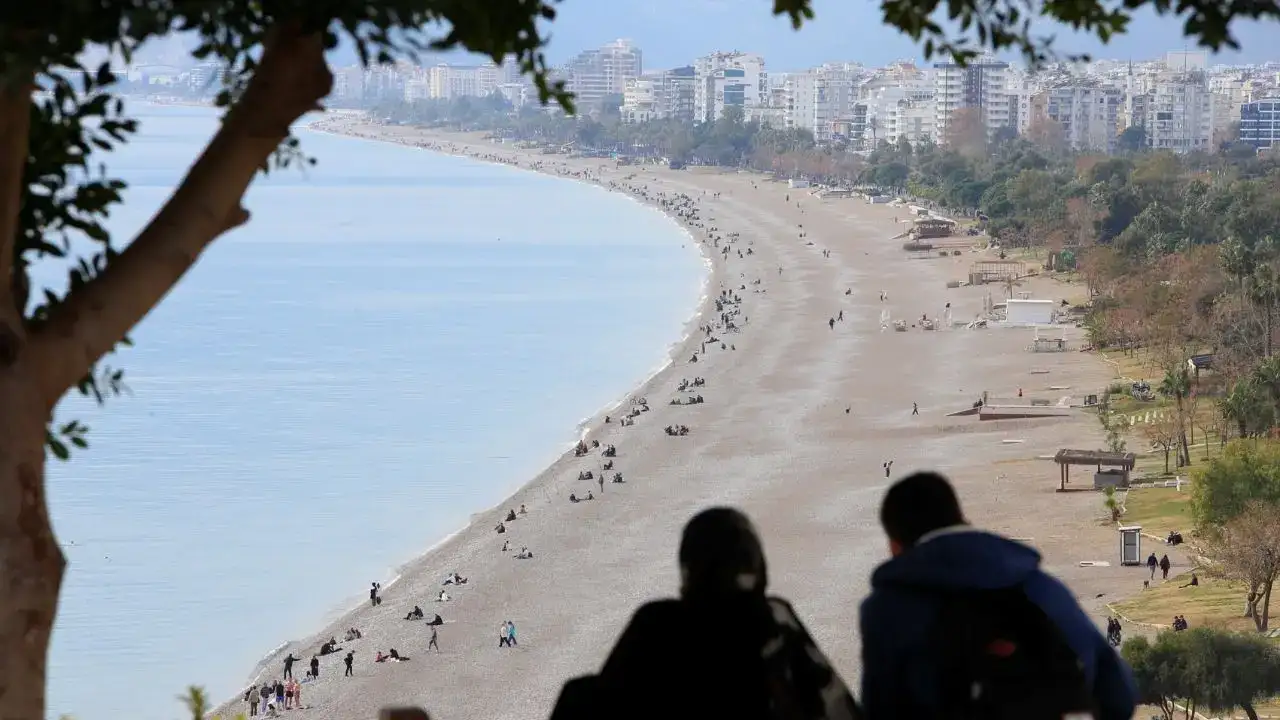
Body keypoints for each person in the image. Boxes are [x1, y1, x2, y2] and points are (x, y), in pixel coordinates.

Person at [859, 472, 1136, 720]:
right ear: (962, 518)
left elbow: (880, 708)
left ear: (895, 547)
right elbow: (1120, 695)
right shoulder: (1041, 587)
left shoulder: (886, 611)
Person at [549, 507, 861, 720]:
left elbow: (599, 701)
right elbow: (837, 706)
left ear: (689, 571)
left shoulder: (658, 625)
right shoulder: (774, 620)